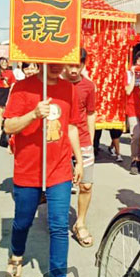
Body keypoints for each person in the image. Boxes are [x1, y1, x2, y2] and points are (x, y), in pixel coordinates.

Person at [3, 62, 83, 277]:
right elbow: (8, 126)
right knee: (23, 220)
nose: (59, 67)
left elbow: (71, 126)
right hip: (28, 168)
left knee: (59, 225)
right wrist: (34, 114)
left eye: (63, 61)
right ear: (40, 61)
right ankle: (16, 253)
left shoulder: (70, 89)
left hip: (59, 168)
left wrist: (78, 159)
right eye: (52, 62)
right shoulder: (22, 87)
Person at [64, 48, 96, 248]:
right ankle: (57, 221)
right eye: (71, 65)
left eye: (79, 65)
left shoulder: (89, 86)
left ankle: (80, 222)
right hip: (59, 142)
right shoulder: (55, 83)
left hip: (83, 141)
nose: (74, 70)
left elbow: (91, 113)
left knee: (86, 185)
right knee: (60, 186)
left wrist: (90, 141)